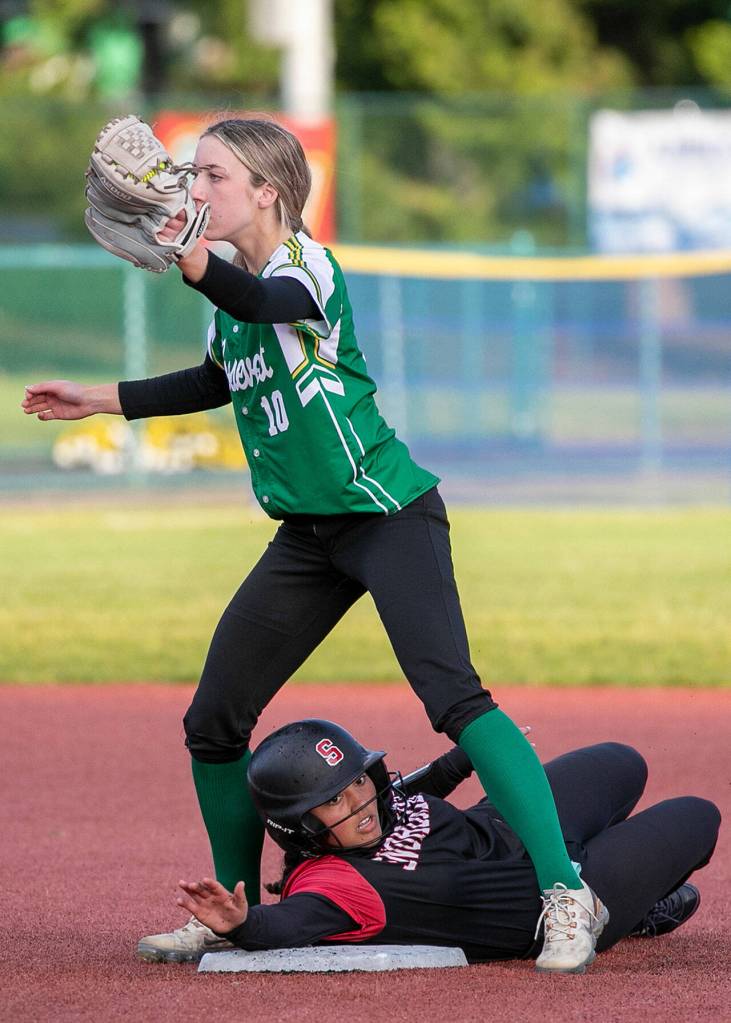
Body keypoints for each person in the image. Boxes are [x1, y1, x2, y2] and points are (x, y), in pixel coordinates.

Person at [25, 116, 607, 971]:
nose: (196, 189)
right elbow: (217, 377)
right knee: (214, 719)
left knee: (452, 694)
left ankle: (565, 891)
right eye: (195, 176)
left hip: (387, 515)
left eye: (213, 176)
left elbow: (264, 303)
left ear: (266, 190)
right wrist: (97, 398)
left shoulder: (305, 265)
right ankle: (233, 909)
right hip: (308, 535)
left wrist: (193, 262)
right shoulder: (233, 294)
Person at [172, 719, 720, 968]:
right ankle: (629, 913)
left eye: (359, 781)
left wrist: (468, 755)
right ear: (298, 826)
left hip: (509, 829)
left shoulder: (376, 806)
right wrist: (241, 925)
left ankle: (626, 893)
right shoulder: (333, 885)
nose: (361, 802)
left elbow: (413, 790)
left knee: (624, 759)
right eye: (335, 802)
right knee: (698, 815)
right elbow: (288, 925)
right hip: (549, 906)